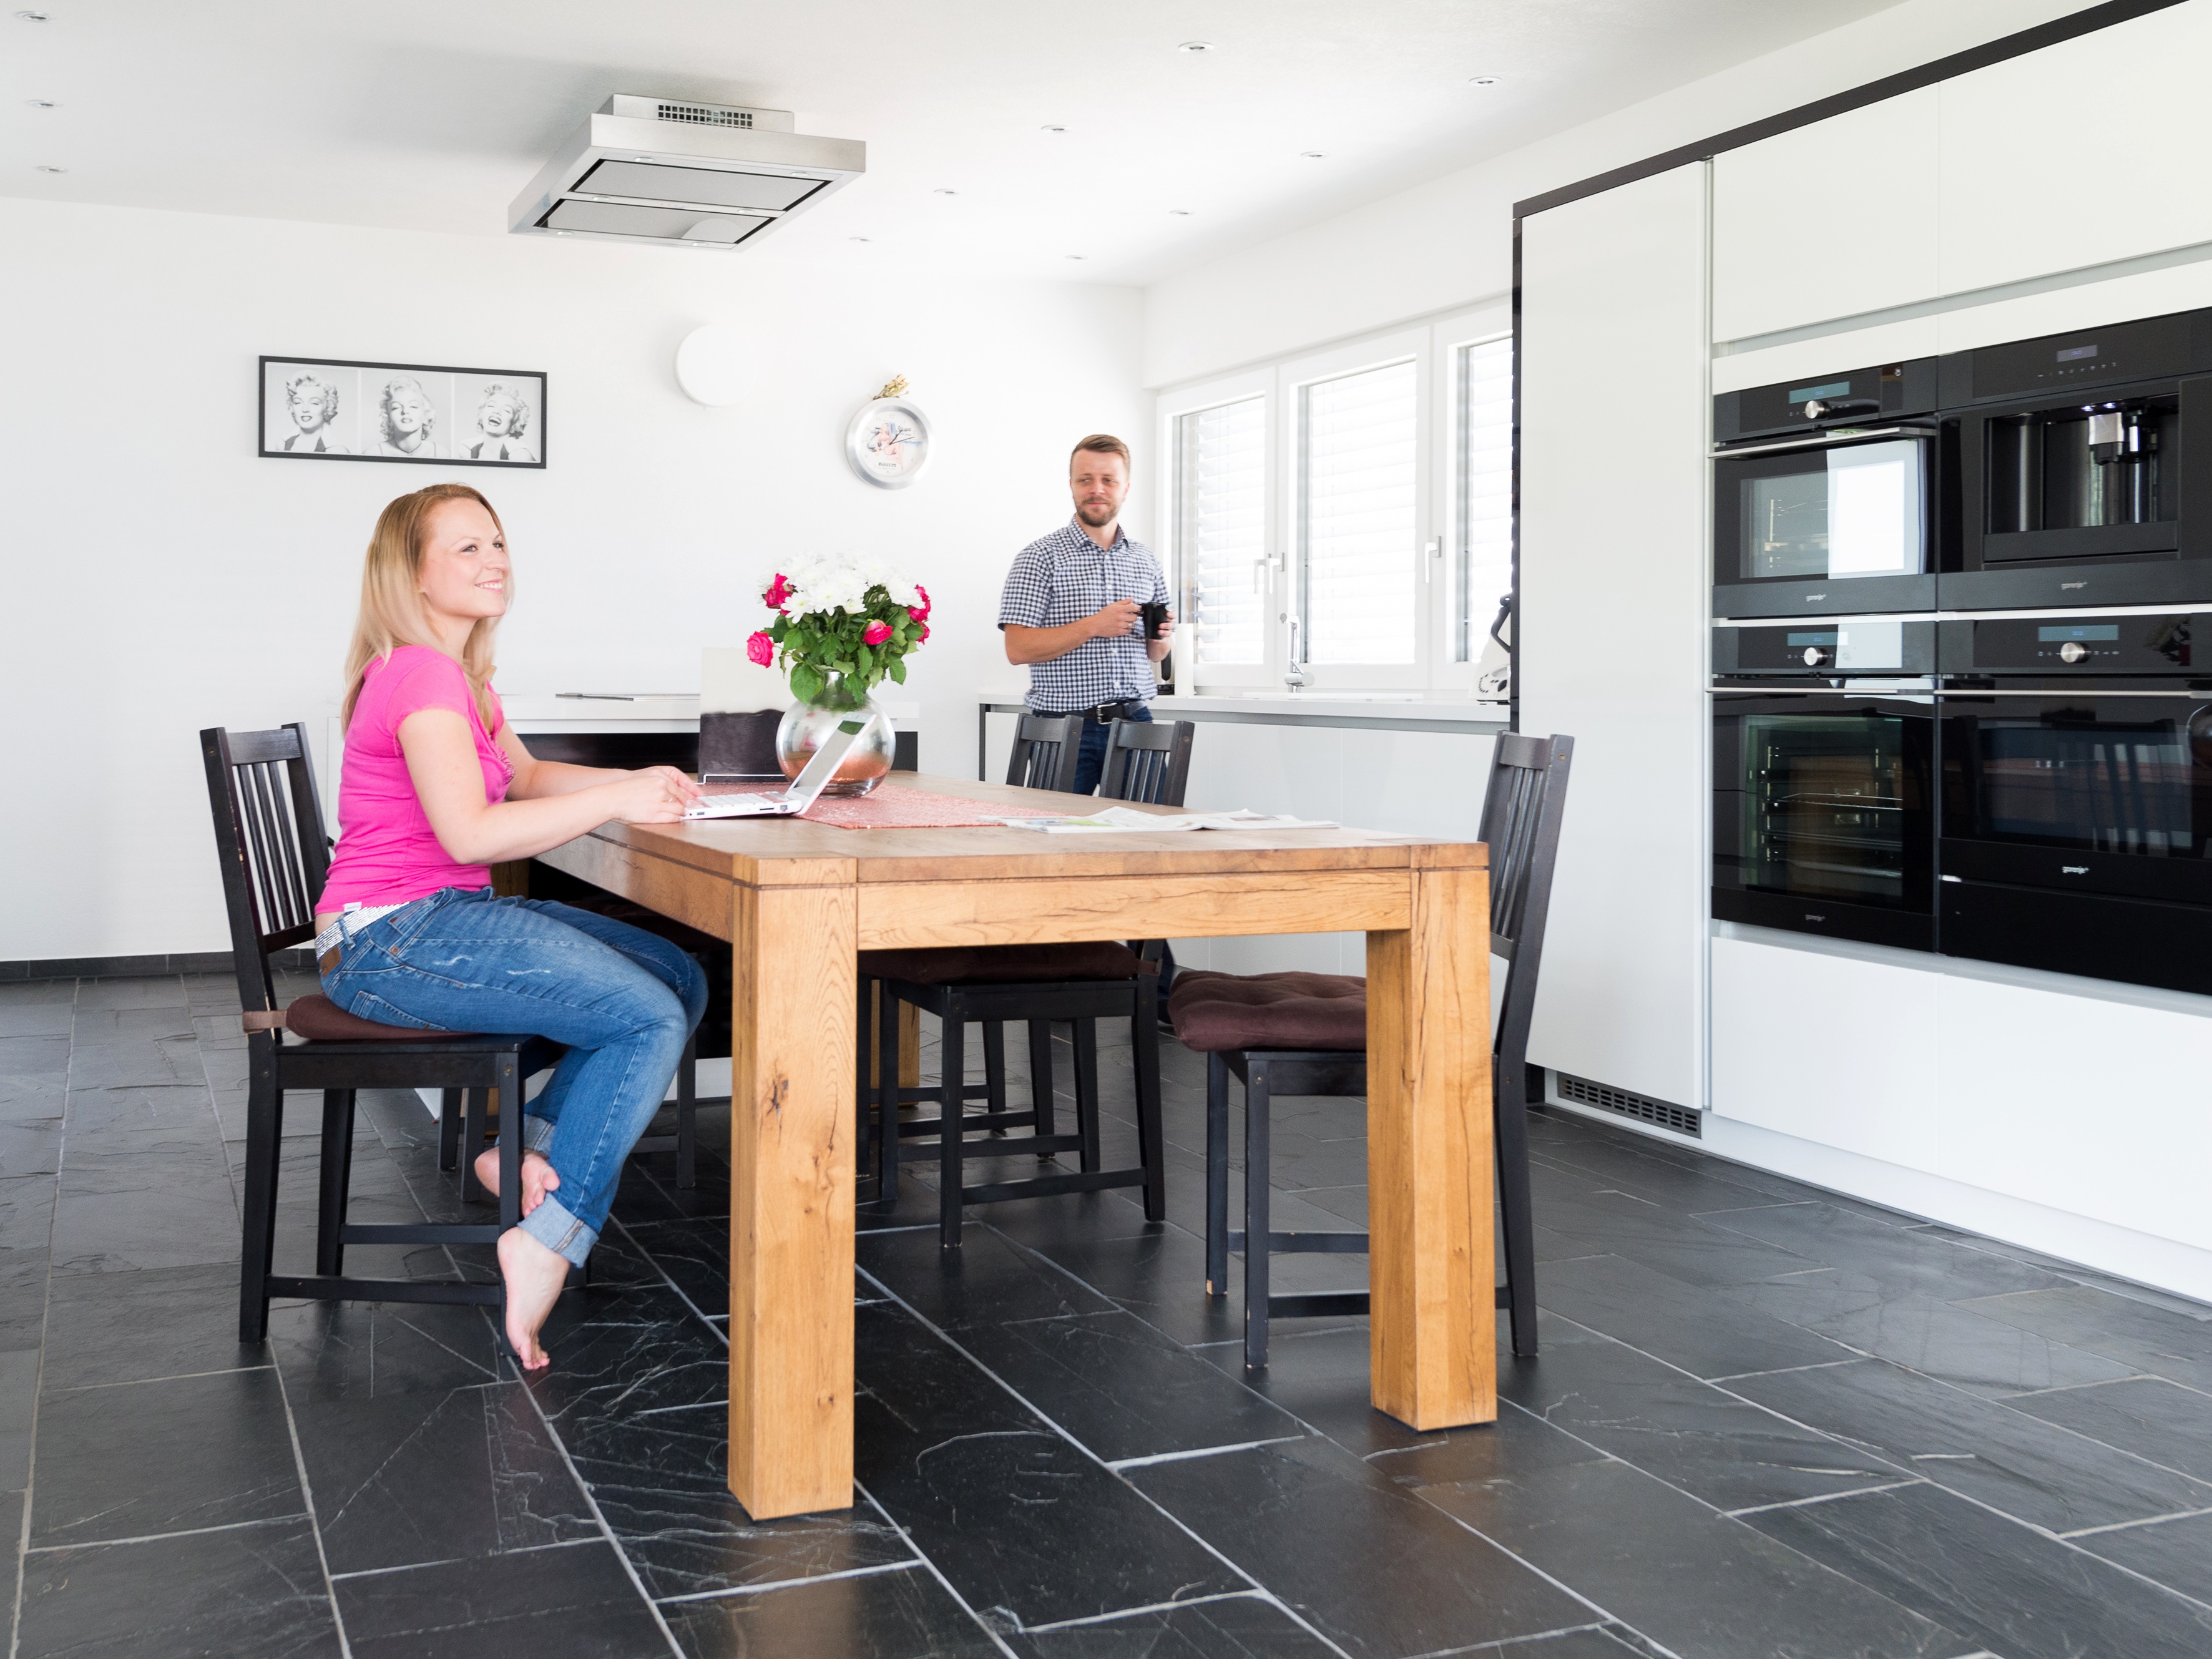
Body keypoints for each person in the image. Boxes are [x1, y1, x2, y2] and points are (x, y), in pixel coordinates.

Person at [313, 483, 707, 1369]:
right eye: (466, 548)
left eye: (497, 543)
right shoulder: (418, 671)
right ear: (407, 573)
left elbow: (523, 779)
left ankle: (519, 1154)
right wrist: (619, 795)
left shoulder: (462, 676)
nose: (495, 560)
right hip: (391, 937)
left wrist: (648, 776)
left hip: (436, 918)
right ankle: (545, 1236)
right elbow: (471, 833)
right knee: (646, 1015)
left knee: (678, 976)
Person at [997, 434, 1174, 795]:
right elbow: (1017, 649)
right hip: (1063, 727)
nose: (1097, 489)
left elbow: (1156, 653)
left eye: (1108, 480)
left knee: (1151, 836)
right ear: (1071, 487)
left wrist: (1162, 637)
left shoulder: (1146, 560)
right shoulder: (1039, 557)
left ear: (1126, 488)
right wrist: (1095, 625)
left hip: (1136, 720)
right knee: (1057, 842)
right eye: (1085, 480)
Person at [464, 383, 538, 463]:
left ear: (515, 423)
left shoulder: (520, 456)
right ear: (482, 412)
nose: (497, 412)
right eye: (491, 406)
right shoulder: (467, 451)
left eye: (507, 410)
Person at [278, 372, 350, 454]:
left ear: (328, 407)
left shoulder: (336, 450)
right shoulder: (283, 445)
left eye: (314, 403)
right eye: (298, 402)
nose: (305, 409)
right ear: (291, 407)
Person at [375, 374, 443, 458]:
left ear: (426, 416)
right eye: (396, 407)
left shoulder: (441, 453)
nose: (405, 411)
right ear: (388, 417)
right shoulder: (374, 452)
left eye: (413, 406)